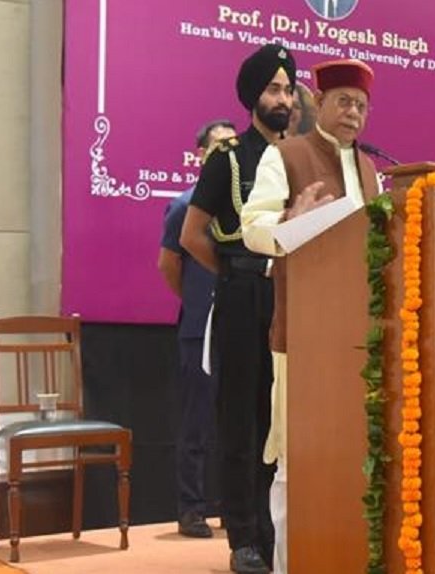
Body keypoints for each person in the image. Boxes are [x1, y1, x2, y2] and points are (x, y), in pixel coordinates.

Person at [240, 58, 382, 574]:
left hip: (361, 338)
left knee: (353, 460)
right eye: (343, 101)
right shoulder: (286, 155)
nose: (353, 113)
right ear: (318, 103)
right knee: (298, 462)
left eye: (361, 105)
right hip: (303, 336)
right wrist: (289, 221)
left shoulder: (370, 169)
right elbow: (251, 228)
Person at [180, 43, 297, 574]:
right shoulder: (228, 159)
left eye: (289, 90)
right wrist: (233, 275)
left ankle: (278, 533)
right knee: (242, 420)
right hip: (243, 296)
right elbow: (192, 235)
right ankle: (244, 538)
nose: (284, 99)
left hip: (292, 298)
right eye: (273, 89)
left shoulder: (297, 157)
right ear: (253, 96)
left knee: (282, 419)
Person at [157, 119, 236, 539]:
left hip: (239, 325)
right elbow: (168, 265)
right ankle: (191, 509)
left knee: (238, 420)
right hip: (199, 327)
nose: (225, 154)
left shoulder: (241, 208)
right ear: (201, 155)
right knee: (197, 422)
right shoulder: (184, 206)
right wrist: (195, 299)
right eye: (217, 147)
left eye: (231, 146)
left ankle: (234, 507)